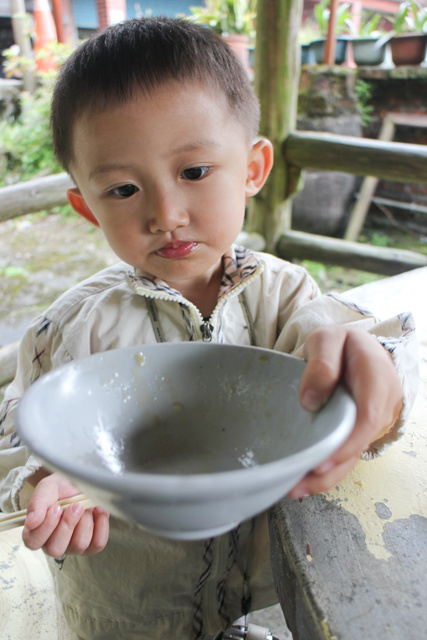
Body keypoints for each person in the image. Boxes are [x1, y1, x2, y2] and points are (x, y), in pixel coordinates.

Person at [0, 16, 418, 640]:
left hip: (271, 599)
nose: (166, 215)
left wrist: (371, 378)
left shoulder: (284, 295)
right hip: (126, 615)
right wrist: (40, 478)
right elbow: (18, 438)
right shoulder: (70, 329)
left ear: (252, 169)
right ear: (86, 205)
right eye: (122, 188)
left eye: (194, 172)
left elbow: (338, 349)